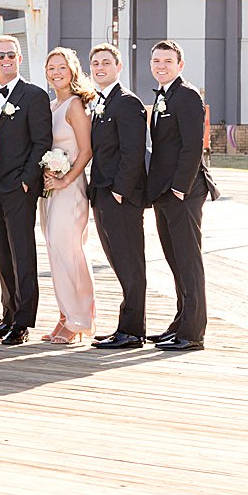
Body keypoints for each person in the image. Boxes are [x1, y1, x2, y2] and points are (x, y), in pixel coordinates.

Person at [146, 40, 218, 352]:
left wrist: (179, 188)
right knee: (175, 260)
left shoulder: (187, 95)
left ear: (180, 65)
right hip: (165, 192)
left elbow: (193, 146)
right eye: (156, 61)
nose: (161, 66)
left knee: (189, 261)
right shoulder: (164, 95)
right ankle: (179, 322)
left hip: (184, 193)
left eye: (167, 61)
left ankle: (192, 333)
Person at [0, 34, 52, 346]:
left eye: (11, 55)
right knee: (1, 253)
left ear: (19, 58)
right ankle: (8, 312)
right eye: (0, 56)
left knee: (23, 253)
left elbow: (41, 143)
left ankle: (23, 321)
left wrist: (27, 180)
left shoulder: (34, 95)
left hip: (18, 187)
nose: (6, 60)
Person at [84, 43, 149, 350]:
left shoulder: (127, 102)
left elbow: (133, 151)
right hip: (101, 193)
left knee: (130, 263)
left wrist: (121, 192)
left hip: (121, 196)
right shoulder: (100, 103)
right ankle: (126, 326)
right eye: (95, 63)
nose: (100, 68)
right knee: (118, 261)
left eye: (106, 63)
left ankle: (133, 331)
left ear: (118, 67)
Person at [39, 47, 96, 344]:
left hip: (70, 189)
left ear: (72, 70)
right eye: (51, 68)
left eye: (61, 67)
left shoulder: (75, 106)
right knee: (55, 252)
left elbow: (86, 151)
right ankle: (65, 315)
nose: (56, 73)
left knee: (71, 253)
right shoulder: (50, 106)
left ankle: (81, 319)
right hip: (50, 191)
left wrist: (65, 181)